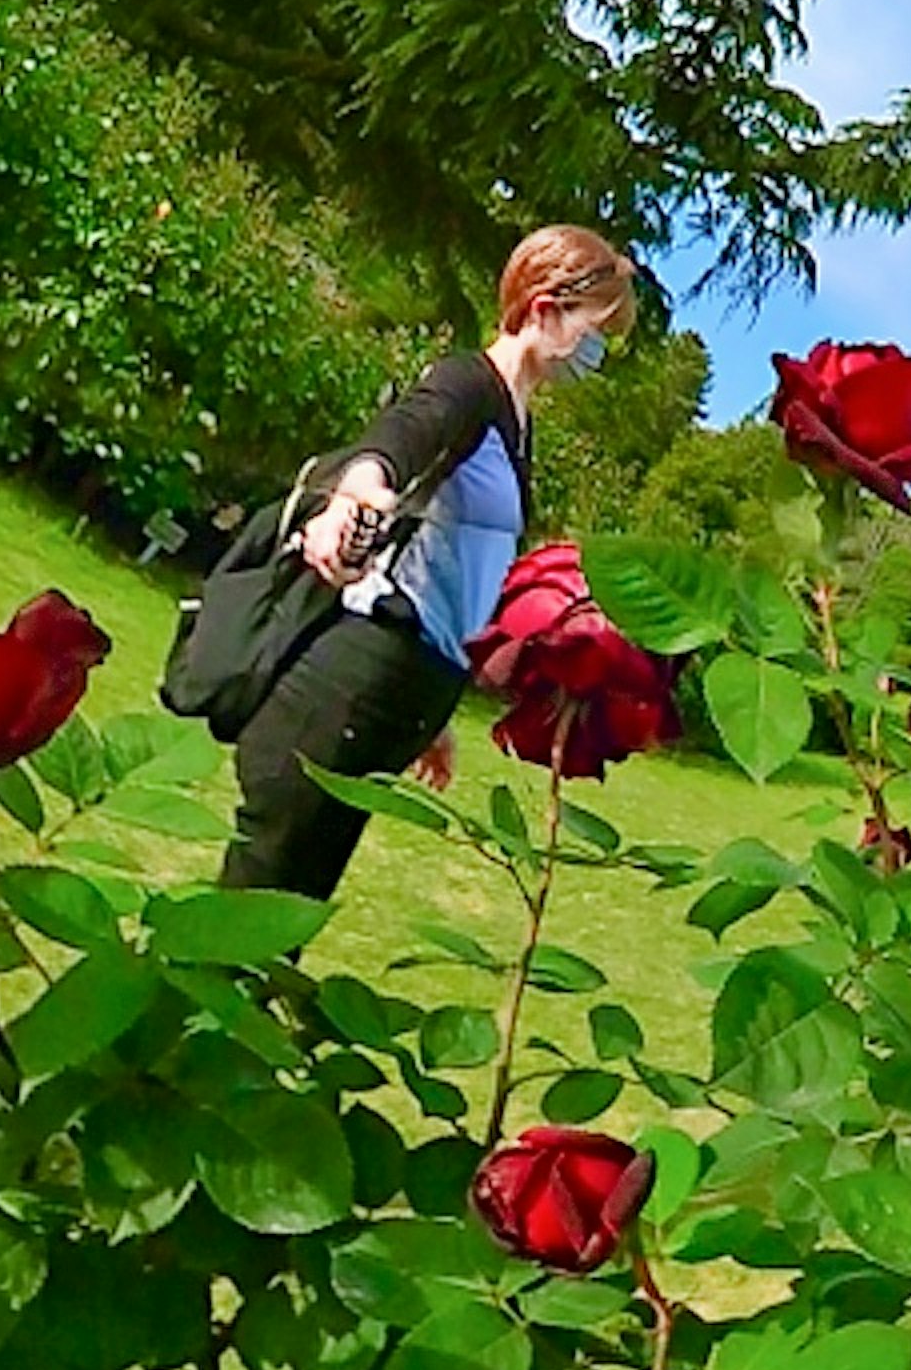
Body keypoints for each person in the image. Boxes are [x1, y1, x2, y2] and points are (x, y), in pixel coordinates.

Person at [221, 222, 637, 896]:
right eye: (595, 329)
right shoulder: (466, 385)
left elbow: (457, 572)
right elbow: (402, 435)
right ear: (545, 309)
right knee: (251, 911)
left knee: (291, 917)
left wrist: (436, 713)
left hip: (399, 696)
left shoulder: (517, 422)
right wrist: (355, 498)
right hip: (347, 683)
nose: (596, 351)